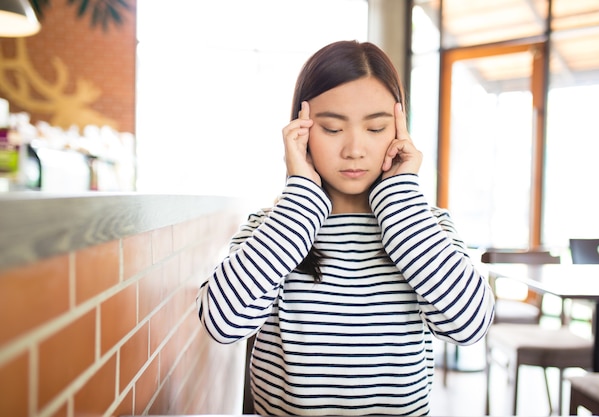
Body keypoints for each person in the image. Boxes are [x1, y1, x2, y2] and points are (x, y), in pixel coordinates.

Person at [197, 40, 495, 416]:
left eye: (375, 128)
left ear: (399, 131)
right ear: (301, 132)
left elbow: (469, 326)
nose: (355, 149)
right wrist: (301, 197)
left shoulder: (425, 226)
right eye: (333, 129)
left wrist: (400, 201)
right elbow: (221, 323)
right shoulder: (273, 227)